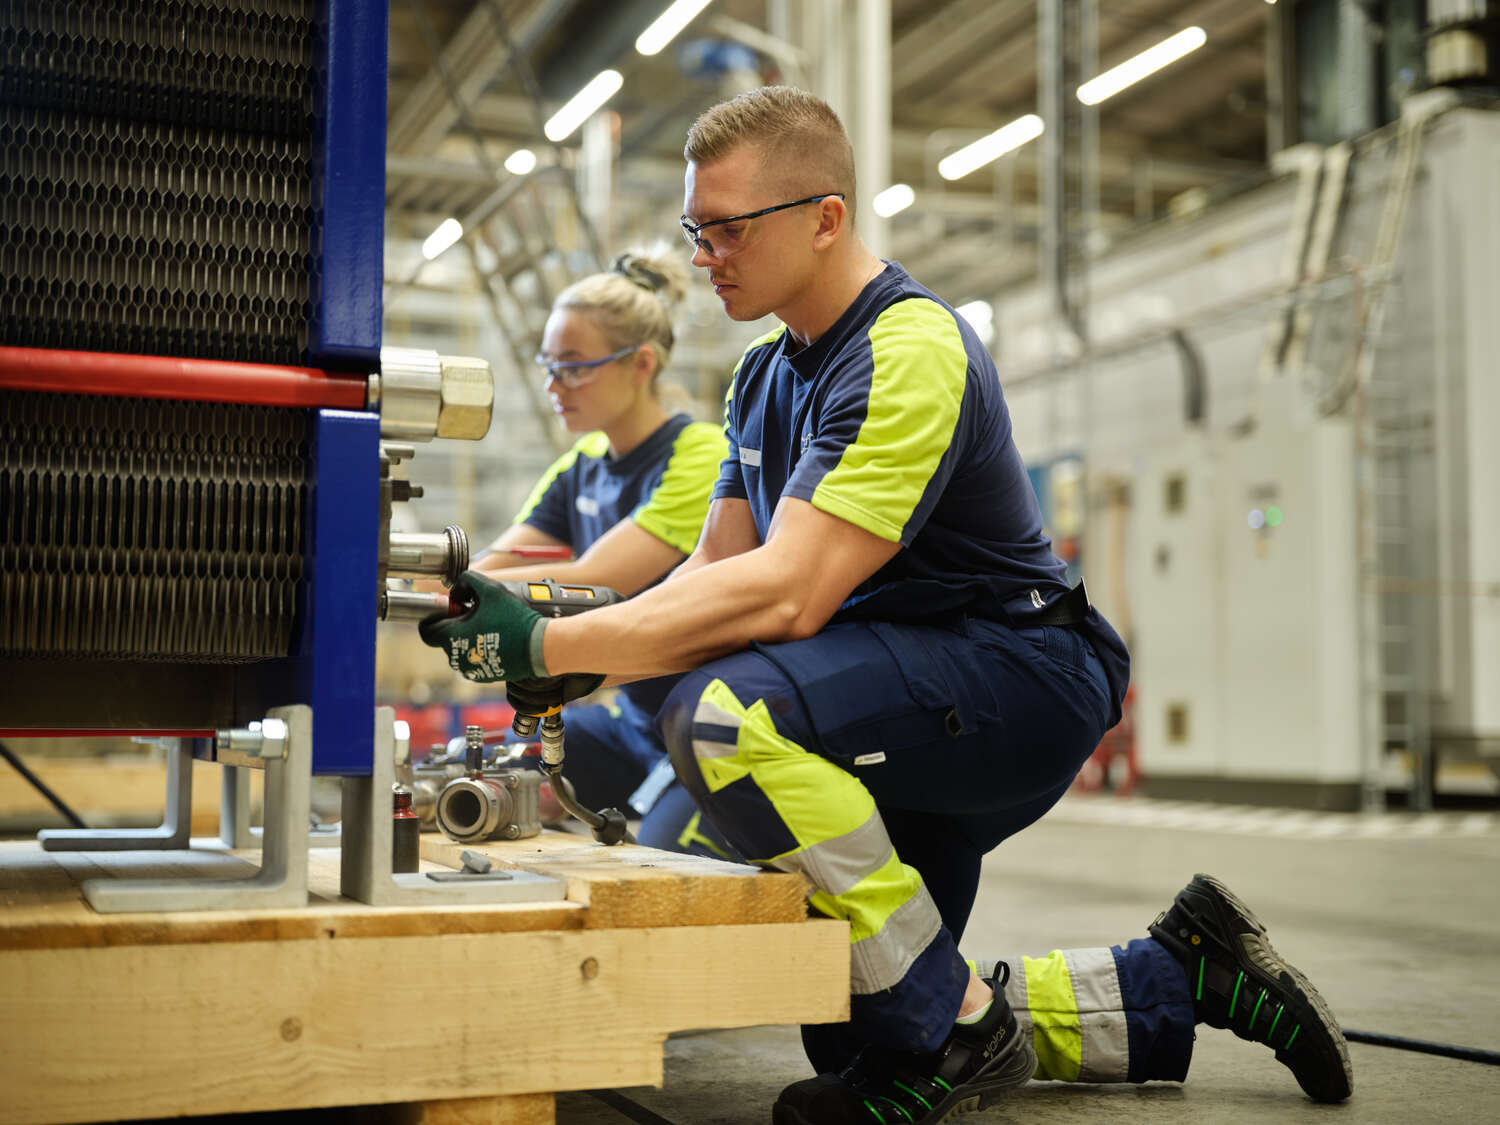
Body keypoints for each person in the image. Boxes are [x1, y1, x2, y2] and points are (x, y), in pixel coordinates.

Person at [421, 88, 1353, 1124]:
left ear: (826, 217)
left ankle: (951, 1026)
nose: (705, 256)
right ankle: (1181, 975)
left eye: (730, 228)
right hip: (902, 680)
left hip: (1018, 671)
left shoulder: (908, 348)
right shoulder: (762, 377)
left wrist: (554, 637)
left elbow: (788, 590)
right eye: (698, 231)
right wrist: (564, 653)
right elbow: (715, 575)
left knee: (727, 714)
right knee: (852, 1010)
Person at [465, 249, 735, 859]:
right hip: (635, 720)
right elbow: (492, 564)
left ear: (641, 364)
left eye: (574, 368)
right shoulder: (581, 465)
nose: (553, 385)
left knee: (669, 859)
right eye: (548, 366)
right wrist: (423, 584)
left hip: (706, 723)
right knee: (471, 772)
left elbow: (599, 577)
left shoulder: (698, 455)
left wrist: (470, 592)